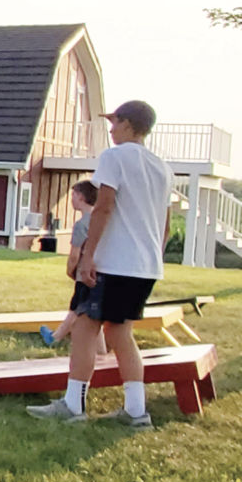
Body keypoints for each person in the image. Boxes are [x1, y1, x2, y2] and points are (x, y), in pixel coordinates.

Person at [30, 101, 171, 427]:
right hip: (144, 267)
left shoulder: (114, 158)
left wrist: (89, 255)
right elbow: (165, 225)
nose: (110, 129)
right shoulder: (162, 167)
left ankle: (73, 405)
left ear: (128, 124)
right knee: (122, 334)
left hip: (113, 263)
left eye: (115, 122)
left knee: (83, 328)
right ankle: (137, 412)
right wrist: (152, 258)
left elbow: (104, 208)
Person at [47, 181, 105, 349]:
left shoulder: (81, 225)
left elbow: (74, 255)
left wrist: (70, 270)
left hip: (84, 273)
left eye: (73, 195)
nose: (71, 199)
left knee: (77, 308)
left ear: (81, 197)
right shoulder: (102, 220)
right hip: (103, 271)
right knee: (92, 314)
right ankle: (101, 351)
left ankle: (55, 338)